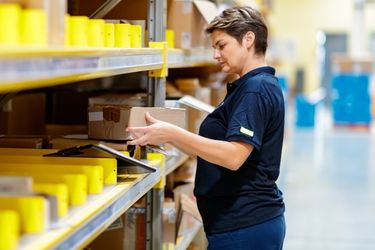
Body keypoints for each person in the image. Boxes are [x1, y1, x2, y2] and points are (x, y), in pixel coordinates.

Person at [127, 5, 286, 250]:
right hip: (238, 224)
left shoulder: (255, 90)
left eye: (221, 45)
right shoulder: (249, 87)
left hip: (244, 227)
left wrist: (172, 133)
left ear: (248, 39)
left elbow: (234, 156)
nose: (216, 55)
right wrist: (168, 137)